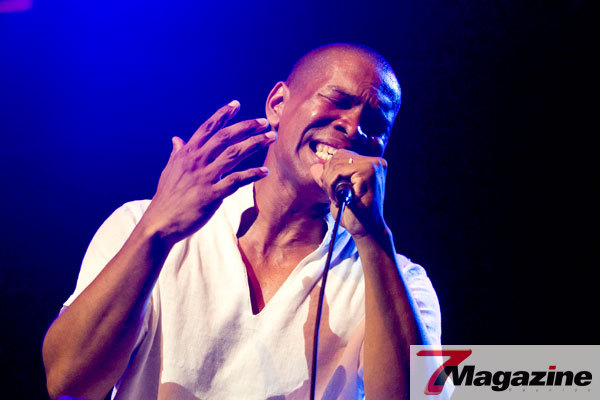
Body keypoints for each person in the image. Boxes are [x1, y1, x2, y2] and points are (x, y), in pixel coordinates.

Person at [42, 43, 443, 400]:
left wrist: (372, 237)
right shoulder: (141, 224)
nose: (353, 128)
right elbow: (68, 381)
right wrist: (155, 233)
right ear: (278, 104)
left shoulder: (400, 280)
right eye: (338, 100)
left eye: (376, 125)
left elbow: (421, 396)